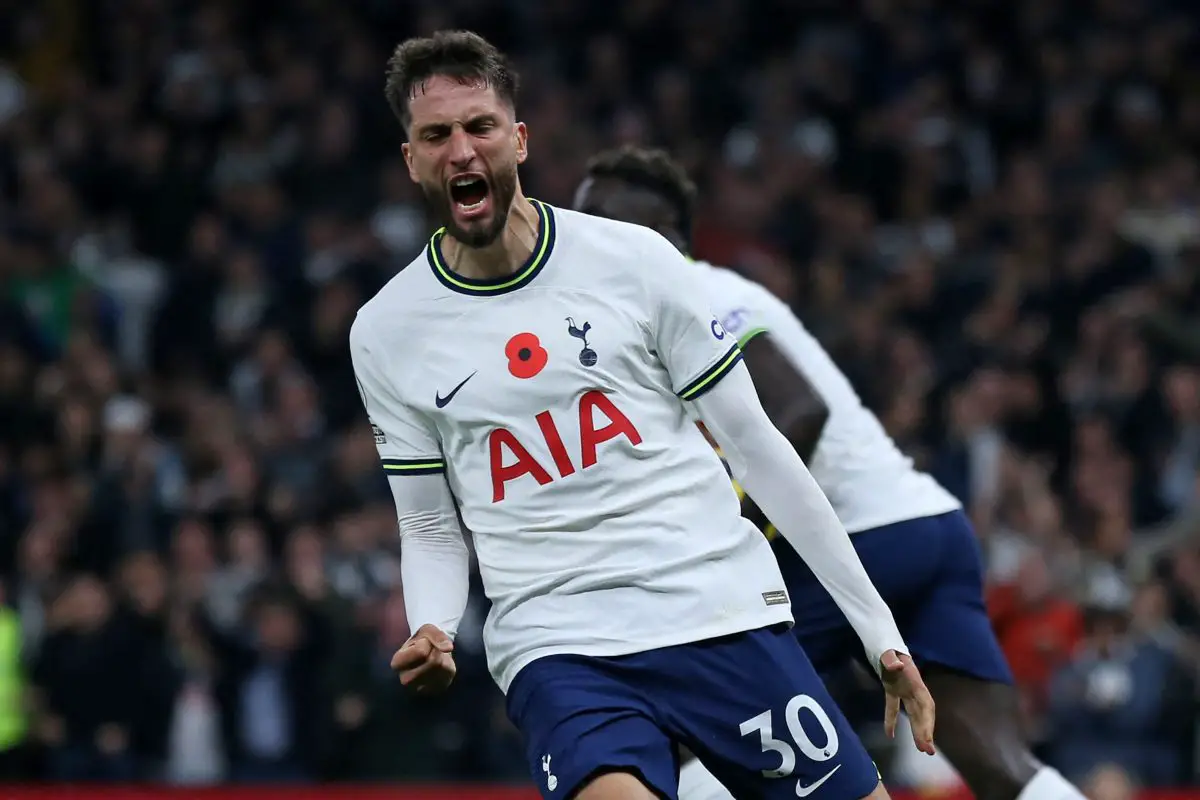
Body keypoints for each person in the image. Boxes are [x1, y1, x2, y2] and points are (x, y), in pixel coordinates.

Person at [351, 30, 934, 800]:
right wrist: (431, 622)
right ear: (412, 159)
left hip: (717, 611)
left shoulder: (634, 262)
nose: (462, 150)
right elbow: (428, 524)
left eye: (480, 127)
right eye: (436, 135)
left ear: (518, 140)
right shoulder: (387, 331)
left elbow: (756, 448)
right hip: (560, 645)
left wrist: (879, 633)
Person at [572, 145, 1088, 800]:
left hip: (852, 541)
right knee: (999, 764)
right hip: (925, 527)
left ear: (654, 236)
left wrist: (729, 526)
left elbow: (798, 409)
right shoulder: (678, 305)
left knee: (710, 749)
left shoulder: (694, 291)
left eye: (596, 222)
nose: (577, 238)